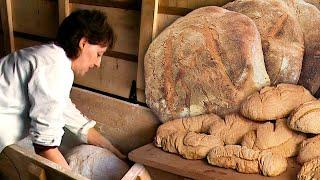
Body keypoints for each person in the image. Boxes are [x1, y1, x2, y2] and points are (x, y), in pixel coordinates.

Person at [0, 9, 125, 169]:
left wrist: (111, 149)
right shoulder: (56, 68)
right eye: (99, 54)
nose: (98, 63)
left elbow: (65, 111)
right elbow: (45, 147)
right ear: (83, 43)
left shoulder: (50, 57)